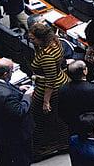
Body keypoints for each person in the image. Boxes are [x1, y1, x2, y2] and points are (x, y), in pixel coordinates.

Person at [27, 22, 71, 161]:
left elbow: (50, 81)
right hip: (60, 81)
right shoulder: (54, 42)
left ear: (41, 39)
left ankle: (46, 147)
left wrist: (46, 101)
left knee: (39, 117)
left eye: (33, 38)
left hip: (49, 89)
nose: (30, 40)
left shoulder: (47, 56)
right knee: (57, 116)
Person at [0, 58, 34, 166]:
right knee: (22, 160)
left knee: (3, 159)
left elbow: (3, 86)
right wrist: (27, 96)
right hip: (14, 135)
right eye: (12, 71)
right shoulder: (6, 95)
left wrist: (18, 88)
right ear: (5, 74)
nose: (12, 73)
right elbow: (20, 111)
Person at [59, 61, 94, 145]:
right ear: (84, 71)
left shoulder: (62, 90)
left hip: (75, 128)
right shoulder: (92, 89)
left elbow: (61, 112)